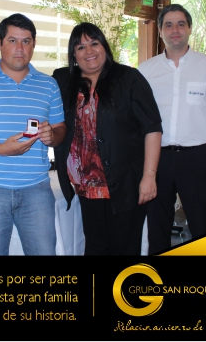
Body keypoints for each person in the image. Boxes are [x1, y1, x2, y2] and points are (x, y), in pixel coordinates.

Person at [0, 13, 67, 255]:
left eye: (26, 41)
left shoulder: (48, 85)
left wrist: (52, 136)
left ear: (34, 44)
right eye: (12, 40)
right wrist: (0, 149)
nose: (20, 48)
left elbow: (60, 129)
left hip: (37, 188)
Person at [52, 23, 163, 255]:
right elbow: (32, 84)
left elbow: (152, 129)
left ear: (104, 46)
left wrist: (149, 176)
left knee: (124, 248)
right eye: (80, 47)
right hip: (87, 187)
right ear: (74, 54)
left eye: (94, 43)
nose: (89, 51)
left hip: (126, 184)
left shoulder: (129, 78)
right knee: (95, 248)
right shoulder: (63, 81)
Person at [138, 4, 206, 255]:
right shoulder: (146, 70)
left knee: (201, 223)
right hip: (157, 158)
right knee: (157, 225)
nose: (174, 30)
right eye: (168, 25)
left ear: (189, 28)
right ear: (160, 30)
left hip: (196, 157)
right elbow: (140, 114)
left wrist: (196, 133)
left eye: (180, 24)